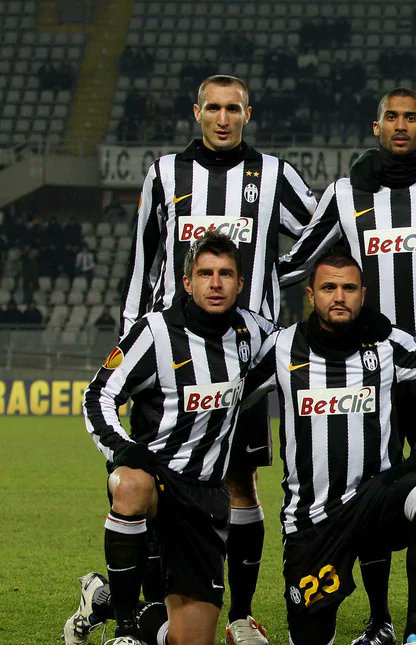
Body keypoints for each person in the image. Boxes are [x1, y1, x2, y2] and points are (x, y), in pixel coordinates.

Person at [278, 87, 416, 645]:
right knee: (367, 488)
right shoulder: (344, 194)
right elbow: (298, 263)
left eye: (411, 117)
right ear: (376, 128)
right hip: (365, 368)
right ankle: (379, 620)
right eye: (391, 117)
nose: (401, 125)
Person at [106, 74, 317, 645]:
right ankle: (146, 610)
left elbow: (319, 237)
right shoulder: (164, 174)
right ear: (196, 112)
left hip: (245, 362)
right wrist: (132, 339)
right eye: (214, 108)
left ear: (248, 114)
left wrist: (272, 277)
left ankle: (240, 616)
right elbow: (143, 262)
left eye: (233, 109)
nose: (223, 119)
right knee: (155, 480)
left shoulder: (274, 175)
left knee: (240, 482)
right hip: (170, 361)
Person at [240, 252, 416, 645]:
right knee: (309, 635)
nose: (339, 296)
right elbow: (231, 396)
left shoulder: (385, 344)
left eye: (349, 288)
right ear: (310, 295)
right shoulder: (282, 348)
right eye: (329, 287)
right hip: (311, 521)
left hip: (376, 503)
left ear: (363, 294)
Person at [75, 231, 277, 645]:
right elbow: (99, 394)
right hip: (157, 485)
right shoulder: (155, 332)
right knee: (130, 483)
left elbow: (302, 350)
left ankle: (101, 599)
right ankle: (125, 631)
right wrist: (122, 449)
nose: (215, 283)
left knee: (190, 640)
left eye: (225, 274)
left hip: (205, 499)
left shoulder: (252, 332)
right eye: (205, 274)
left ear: (240, 284)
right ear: (187, 282)